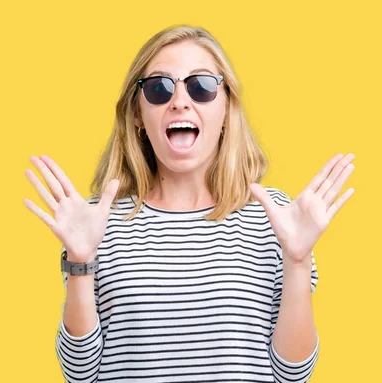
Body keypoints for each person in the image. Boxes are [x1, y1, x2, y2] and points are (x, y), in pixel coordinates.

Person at [23, 24, 355, 383]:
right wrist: (80, 261)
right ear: (137, 116)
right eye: (159, 88)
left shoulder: (275, 217)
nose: (180, 101)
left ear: (227, 109)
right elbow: (79, 373)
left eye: (201, 86)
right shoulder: (98, 221)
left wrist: (298, 260)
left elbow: (294, 374)